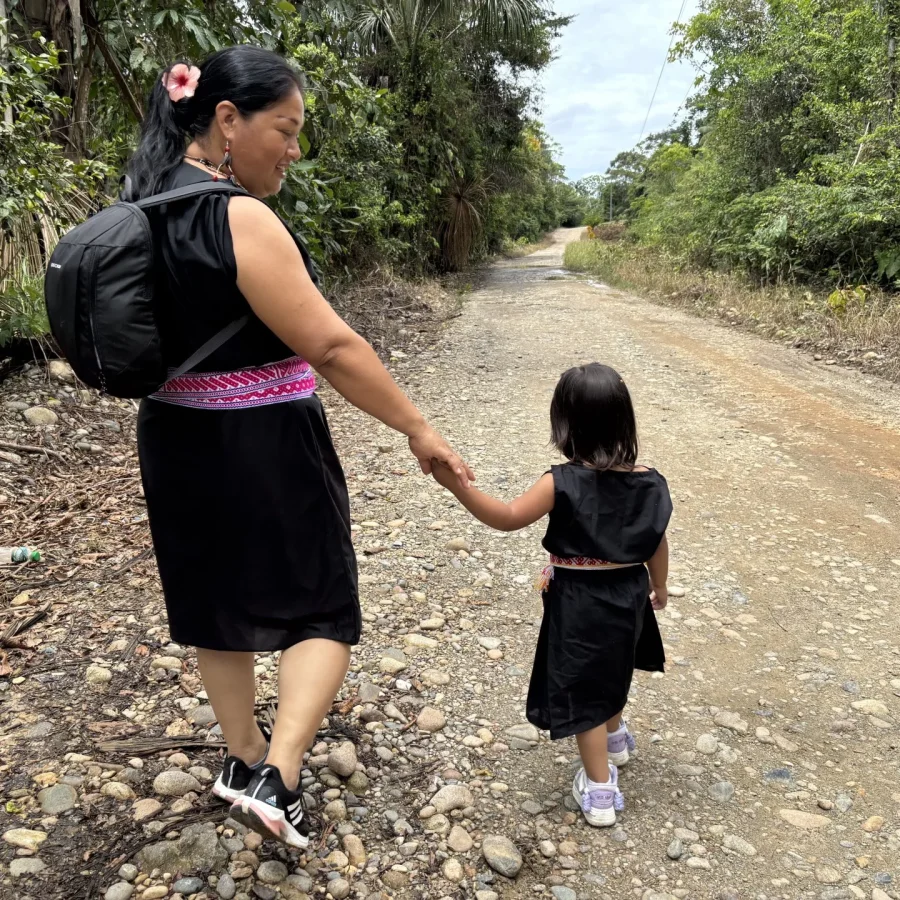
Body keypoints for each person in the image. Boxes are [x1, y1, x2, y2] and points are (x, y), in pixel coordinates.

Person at [127, 46, 473, 848]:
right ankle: (278, 779)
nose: (292, 149)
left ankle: (239, 758)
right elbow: (332, 347)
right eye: (284, 129)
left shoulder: (143, 206)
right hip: (265, 439)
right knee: (322, 604)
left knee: (216, 601)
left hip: (173, 438)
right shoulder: (237, 214)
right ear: (225, 119)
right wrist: (418, 427)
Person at [431, 363, 671, 827]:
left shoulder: (561, 482)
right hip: (630, 592)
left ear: (565, 424)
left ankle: (600, 791)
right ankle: (615, 737)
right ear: (626, 420)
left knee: (583, 684)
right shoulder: (650, 481)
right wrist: (658, 585)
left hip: (580, 599)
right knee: (615, 664)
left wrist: (456, 486)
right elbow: (658, 541)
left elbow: (505, 517)